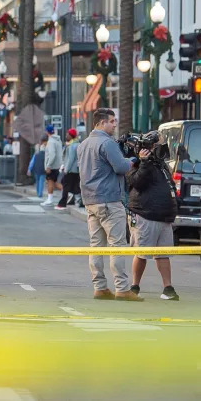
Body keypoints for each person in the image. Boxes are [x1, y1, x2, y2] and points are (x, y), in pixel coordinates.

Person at [76, 108, 141, 301]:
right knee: (117, 245)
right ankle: (122, 288)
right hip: (109, 200)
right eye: (112, 121)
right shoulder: (107, 143)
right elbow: (121, 167)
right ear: (101, 123)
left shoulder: (83, 144)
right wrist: (133, 160)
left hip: (90, 200)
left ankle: (100, 287)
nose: (115, 124)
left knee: (96, 246)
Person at [125, 138, 179, 301]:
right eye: (155, 145)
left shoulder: (160, 165)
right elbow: (137, 183)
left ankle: (168, 288)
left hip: (164, 216)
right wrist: (144, 162)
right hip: (145, 214)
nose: (159, 148)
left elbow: (170, 185)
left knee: (163, 254)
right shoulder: (135, 164)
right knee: (142, 253)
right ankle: (135, 287)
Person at [56, 128, 83, 210]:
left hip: (71, 170)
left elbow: (70, 159)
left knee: (66, 186)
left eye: (67, 134)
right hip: (76, 169)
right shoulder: (78, 144)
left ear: (71, 135)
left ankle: (62, 203)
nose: (66, 136)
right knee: (76, 186)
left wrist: (66, 169)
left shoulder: (72, 146)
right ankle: (80, 201)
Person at [42, 125, 63, 206]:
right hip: (57, 165)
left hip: (52, 166)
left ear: (47, 132)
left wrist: (48, 166)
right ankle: (67, 193)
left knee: (50, 182)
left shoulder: (51, 141)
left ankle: (50, 199)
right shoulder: (58, 140)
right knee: (54, 183)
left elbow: (52, 154)